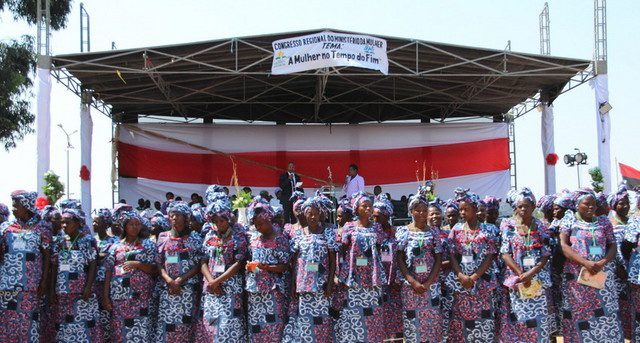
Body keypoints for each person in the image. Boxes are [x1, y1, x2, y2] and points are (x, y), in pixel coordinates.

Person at [559, 188, 622, 342]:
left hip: (601, 276)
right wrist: (585, 262)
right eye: (586, 204)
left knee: (605, 313)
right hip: (578, 278)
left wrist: (603, 262)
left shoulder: (603, 221)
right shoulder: (570, 220)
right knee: (581, 314)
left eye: (593, 205)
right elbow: (564, 246)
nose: (591, 208)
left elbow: (612, 245)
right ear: (577, 205)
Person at [499, 188, 554, 342]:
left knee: (538, 320)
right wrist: (520, 274)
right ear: (516, 208)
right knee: (519, 319)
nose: (523, 209)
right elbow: (505, 253)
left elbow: (545, 254)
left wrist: (531, 273)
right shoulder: (509, 227)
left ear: (533, 207)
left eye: (527, 206)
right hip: (517, 280)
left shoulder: (541, 227)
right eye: (520, 206)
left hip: (538, 280)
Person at [284, 193, 338, 343]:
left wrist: (329, 283)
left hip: (322, 286)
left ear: (320, 214)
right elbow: (294, 261)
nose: (313, 217)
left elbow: (333, 260)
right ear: (304, 215)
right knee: (306, 322)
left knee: (322, 321)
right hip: (304, 285)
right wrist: (294, 283)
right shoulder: (298, 235)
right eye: (309, 214)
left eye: (315, 214)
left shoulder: (327, 233)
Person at [446, 188, 498, 342]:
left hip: (483, 282)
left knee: (484, 318)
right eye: (460, 209)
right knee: (463, 319)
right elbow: (452, 254)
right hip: (461, 282)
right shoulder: (456, 230)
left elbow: (490, 255)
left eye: (466, 209)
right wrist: (461, 276)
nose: (462, 213)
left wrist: (474, 277)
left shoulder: (489, 229)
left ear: (475, 209)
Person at [197, 186, 248, 342]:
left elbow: (239, 263)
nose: (219, 223)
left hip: (230, 288)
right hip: (212, 289)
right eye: (216, 220)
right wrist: (212, 281)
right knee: (211, 325)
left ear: (228, 219)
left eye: (222, 220)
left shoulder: (238, 235)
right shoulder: (209, 236)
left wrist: (219, 281)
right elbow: (203, 260)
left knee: (228, 325)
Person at [0, 191, 52, 342]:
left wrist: (43, 281)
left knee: (29, 323)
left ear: (26, 206)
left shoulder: (42, 227)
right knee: (7, 323)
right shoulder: (6, 227)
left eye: (16, 205)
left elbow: (47, 255)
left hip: (30, 286)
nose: (13, 209)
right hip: (7, 285)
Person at [335, 191, 386, 342]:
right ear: (356, 208)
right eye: (364, 206)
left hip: (372, 279)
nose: (368, 209)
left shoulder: (377, 227)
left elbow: (379, 248)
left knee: (372, 316)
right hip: (354, 279)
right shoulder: (349, 227)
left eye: (370, 206)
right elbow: (342, 251)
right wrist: (340, 274)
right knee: (354, 315)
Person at [395, 188, 444, 342]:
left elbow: (438, 258)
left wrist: (428, 282)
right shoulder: (404, 231)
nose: (422, 214)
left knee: (432, 322)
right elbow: (399, 258)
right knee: (412, 323)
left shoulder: (434, 232)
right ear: (411, 211)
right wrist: (412, 281)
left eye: (424, 210)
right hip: (411, 287)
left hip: (431, 286)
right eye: (418, 210)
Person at [102, 209, 157, 342]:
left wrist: (137, 264)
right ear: (124, 226)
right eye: (131, 224)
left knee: (142, 330)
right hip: (120, 298)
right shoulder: (115, 247)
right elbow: (108, 270)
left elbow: (155, 269)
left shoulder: (148, 244)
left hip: (141, 297)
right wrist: (105, 296)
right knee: (120, 330)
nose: (134, 227)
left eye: (137, 224)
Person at [155, 201, 203, 341]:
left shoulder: (195, 238)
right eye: (172, 215)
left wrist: (181, 279)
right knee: (167, 326)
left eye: (178, 215)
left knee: (186, 325)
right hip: (168, 289)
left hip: (188, 289)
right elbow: (159, 263)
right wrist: (169, 280)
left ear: (186, 218)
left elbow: (199, 264)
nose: (174, 218)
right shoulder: (163, 237)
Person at [245, 198, 290, 343]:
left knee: (273, 324)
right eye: (256, 225)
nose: (258, 227)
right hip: (255, 289)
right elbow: (251, 263)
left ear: (269, 220)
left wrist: (267, 267)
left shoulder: (280, 239)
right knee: (257, 325)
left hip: (273, 290)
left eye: (261, 224)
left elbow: (285, 266)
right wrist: (250, 266)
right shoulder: (255, 240)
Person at [52, 206, 100, 342]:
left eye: (68, 222)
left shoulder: (87, 240)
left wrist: (88, 288)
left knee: (83, 326)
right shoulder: (60, 241)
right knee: (65, 325)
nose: (64, 225)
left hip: (81, 293)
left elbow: (92, 264)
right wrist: (52, 290)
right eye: (62, 222)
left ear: (78, 223)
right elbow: (55, 266)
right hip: (63, 292)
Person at [373, 194, 403, 340]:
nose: (375, 220)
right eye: (374, 217)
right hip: (378, 281)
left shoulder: (397, 233)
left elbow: (403, 257)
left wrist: (398, 277)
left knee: (396, 316)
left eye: (378, 217)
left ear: (386, 215)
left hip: (395, 282)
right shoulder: (372, 234)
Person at [608, 184, 633, 340]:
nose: (624, 206)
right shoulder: (610, 224)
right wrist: (619, 267)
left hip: (634, 271)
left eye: (626, 203)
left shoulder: (633, 222)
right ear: (614, 205)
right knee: (620, 307)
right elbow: (613, 248)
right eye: (620, 203)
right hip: (618, 273)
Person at [93, 208, 119, 342]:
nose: (94, 224)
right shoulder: (91, 240)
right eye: (93, 222)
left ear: (106, 223)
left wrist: (96, 257)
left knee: (107, 312)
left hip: (107, 283)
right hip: (92, 282)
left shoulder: (115, 241)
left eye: (97, 222)